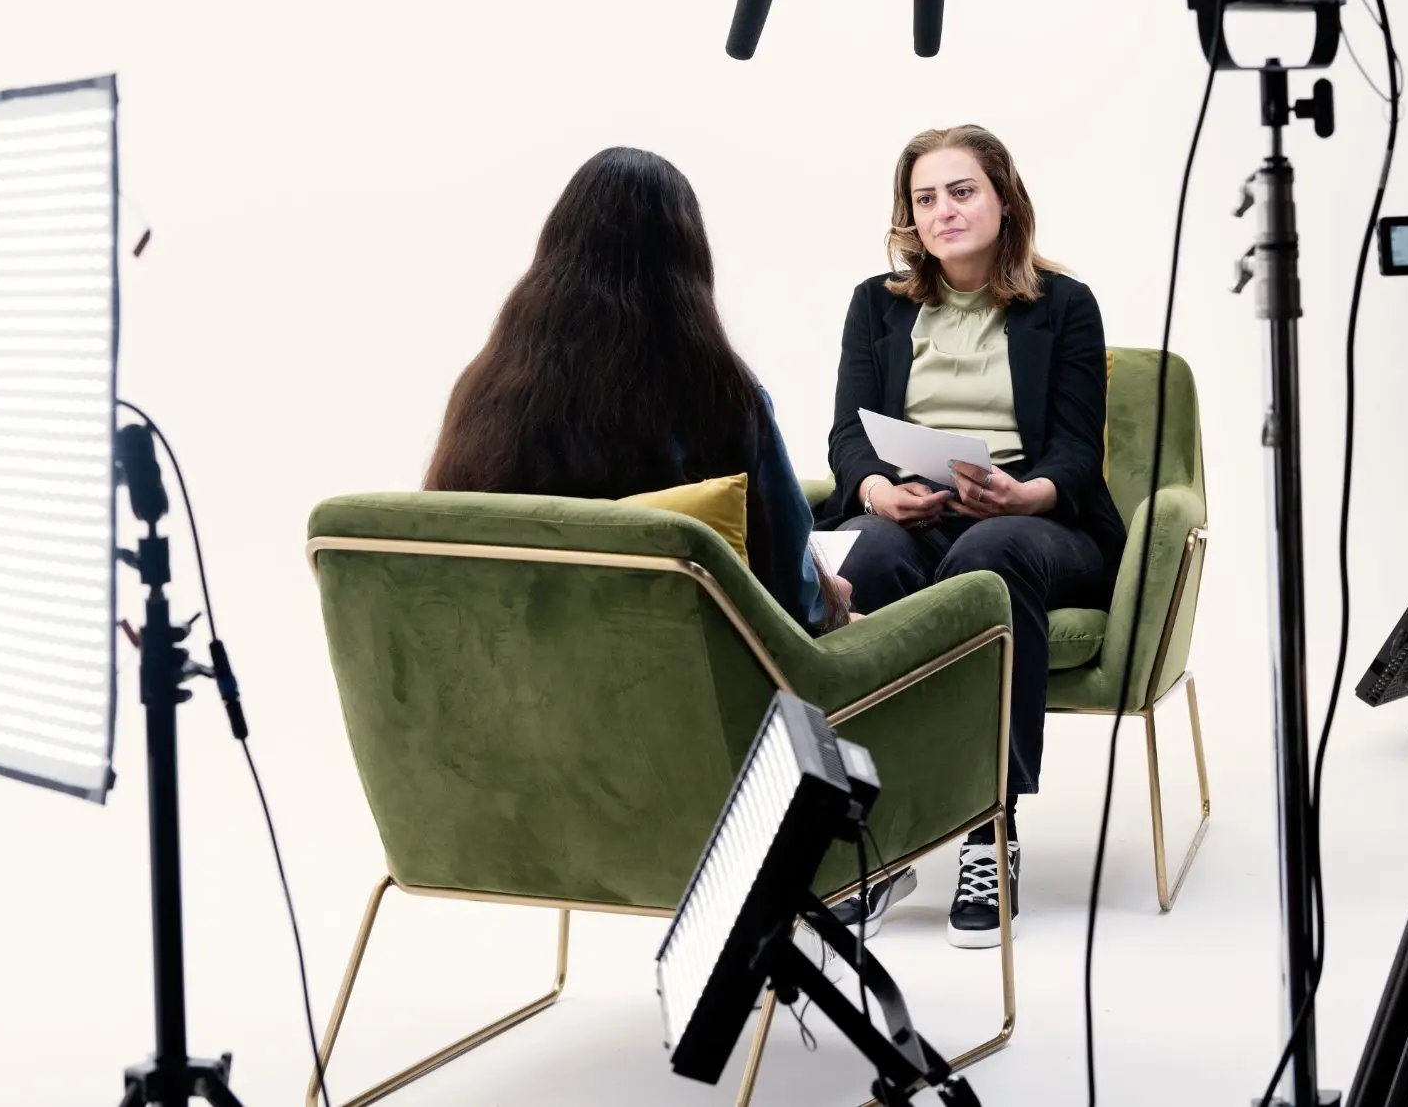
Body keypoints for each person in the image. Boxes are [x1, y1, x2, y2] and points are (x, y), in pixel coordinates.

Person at [821, 124, 1125, 948]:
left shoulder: (1065, 305)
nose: (943, 211)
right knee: (868, 556)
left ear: (1003, 200)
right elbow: (848, 435)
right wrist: (878, 491)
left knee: (986, 558)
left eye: (961, 192)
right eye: (925, 198)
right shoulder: (876, 304)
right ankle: (877, 834)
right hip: (916, 506)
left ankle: (991, 826)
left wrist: (1024, 494)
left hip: (1034, 520)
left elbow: (1076, 449)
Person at [425, 146, 850, 634]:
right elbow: (795, 604)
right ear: (689, 260)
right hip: (683, 669)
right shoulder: (725, 397)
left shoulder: (486, 390)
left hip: (515, 661)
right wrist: (834, 604)